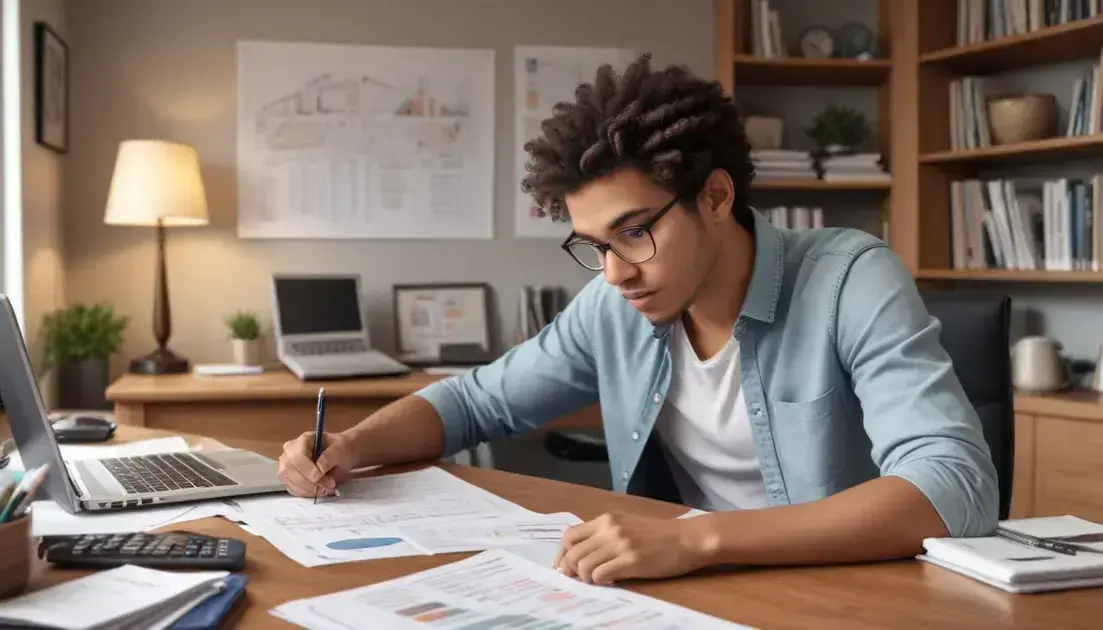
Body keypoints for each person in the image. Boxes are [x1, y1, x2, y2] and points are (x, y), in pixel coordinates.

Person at [278, 53, 998, 587]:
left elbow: (952, 486)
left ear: (715, 197)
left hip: (844, 592)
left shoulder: (849, 277)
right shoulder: (613, 305)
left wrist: (697, 540)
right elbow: (474, 402)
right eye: (595, 245)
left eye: (633, 233)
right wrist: (350, 445)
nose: (616, 272)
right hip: (689, 591)